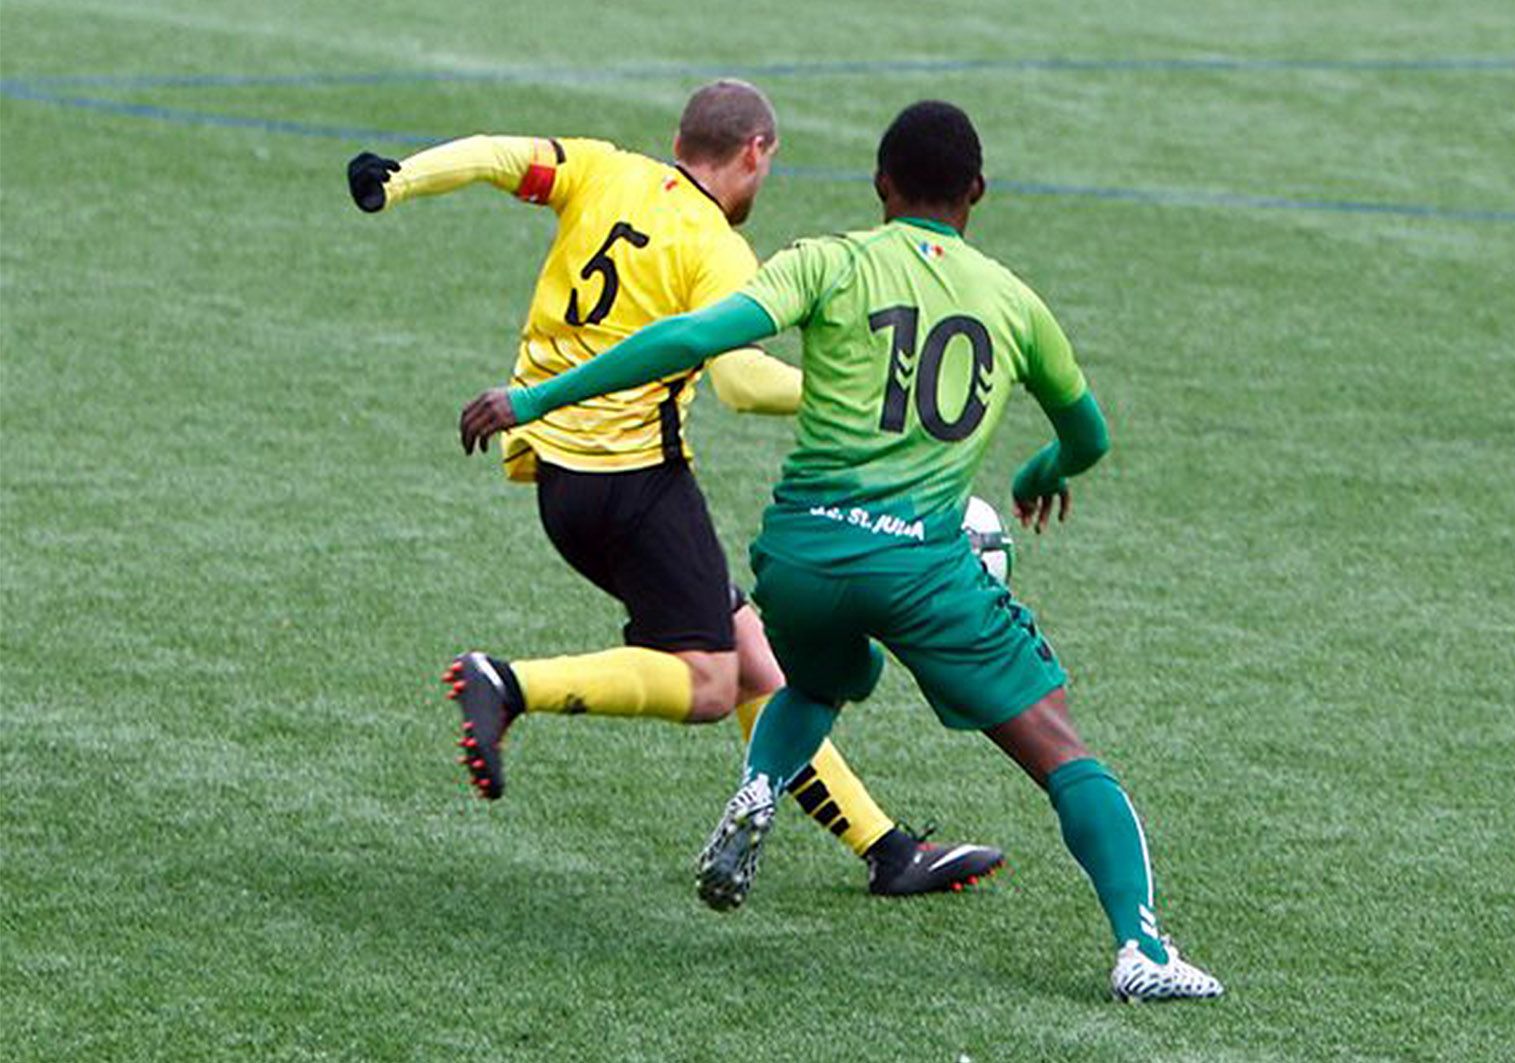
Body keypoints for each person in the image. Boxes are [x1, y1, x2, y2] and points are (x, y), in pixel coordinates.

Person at [458, 100, 1224, 1001]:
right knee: (1062, 751)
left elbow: (689, 337)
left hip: (804, 555)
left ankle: (758, 784)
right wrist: (1044, 467)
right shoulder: (1014, 304)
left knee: (819, 680)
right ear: (978, 191)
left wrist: (537, 399)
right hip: (924, 567)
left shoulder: (828, 260)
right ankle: (1141, 948)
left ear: (880, 185)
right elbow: (1089, 437)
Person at [346, 81, 1003, 897]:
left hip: (563, 483)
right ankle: (507, 682)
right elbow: (741, 382)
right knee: (708, 680)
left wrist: (398, 178)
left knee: (757, 658)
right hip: (637, 486)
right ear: (755, 150)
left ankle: (886, 849)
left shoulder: (600, 169)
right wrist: (853, 395)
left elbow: (495, 153)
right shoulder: (718, 248)